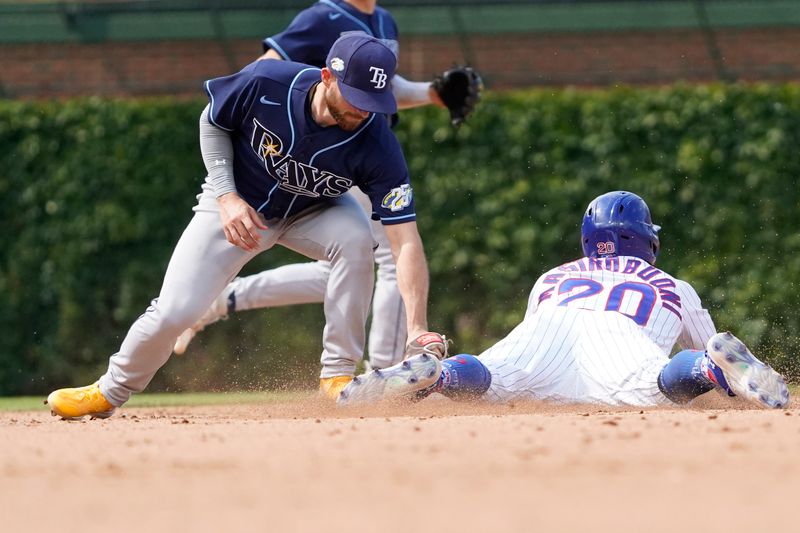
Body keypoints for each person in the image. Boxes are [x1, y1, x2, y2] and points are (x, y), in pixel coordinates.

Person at [46, 33, 448, 420]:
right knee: (173, 312)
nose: (364, 110)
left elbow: (405, 240)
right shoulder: (266, 82)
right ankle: (108, 391)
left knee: (358, 239)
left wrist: (417, 328)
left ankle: (338, 375)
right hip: (237, 203)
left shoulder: (377, 143)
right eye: (356, 97)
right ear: (327, 75)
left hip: (314, 210)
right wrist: (226, 196)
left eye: (373, 101)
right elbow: (213, 121)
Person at [172, 0, 480, 371]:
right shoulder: (322, 18)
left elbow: (380, 89)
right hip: (324, 154)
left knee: (344, 270)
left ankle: (225, 299)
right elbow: (265, 70)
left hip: (359, 157)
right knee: (387, 256)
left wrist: (431, 94)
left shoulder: (383, 21)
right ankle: (386, 367)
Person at [337, 191, 791, 410]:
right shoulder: (671, 284)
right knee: (659, 385)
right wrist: (719, 379)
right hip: (621, 338)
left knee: (495, 378)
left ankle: (439, 375)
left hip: (548, 326)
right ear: (646, 241)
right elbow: (736, 389)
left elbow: (539, 338)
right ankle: (706, 365)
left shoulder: (552, 276)